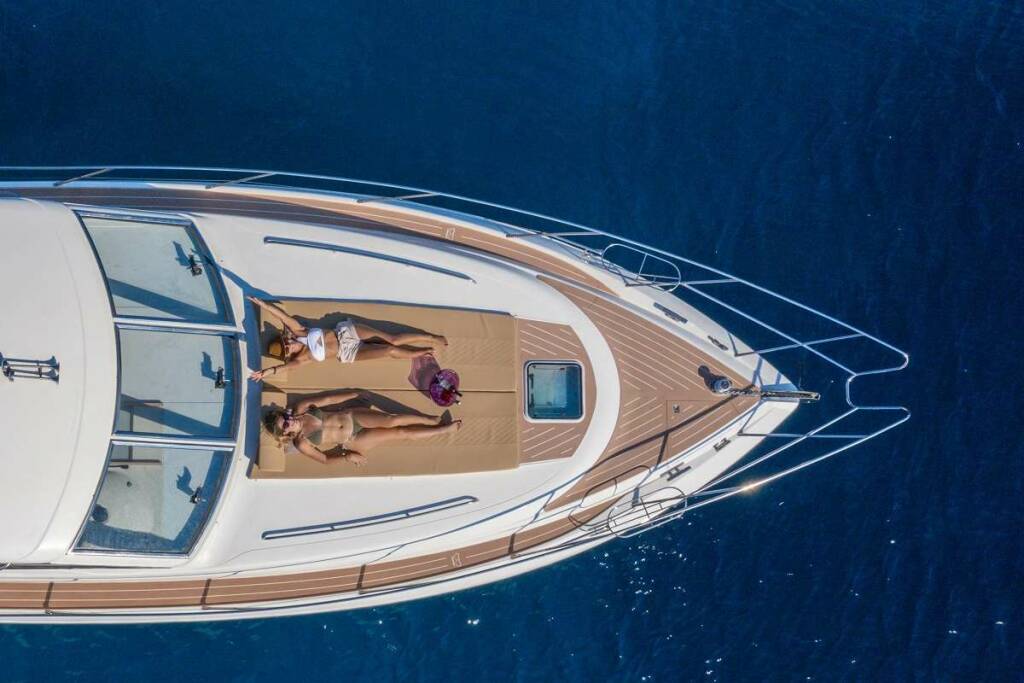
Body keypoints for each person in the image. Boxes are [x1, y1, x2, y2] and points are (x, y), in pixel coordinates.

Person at [247, 296, 447, 382]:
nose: (289, 345)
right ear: (288, 354)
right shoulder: (301, 359)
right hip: (348, 352)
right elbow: (282, 369)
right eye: (287, 349)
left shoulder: (300, 331)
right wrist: (265, 373)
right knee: (388, 350)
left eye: (286, 342)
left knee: (392, 340)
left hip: (346, 333)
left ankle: (431, 337)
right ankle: (420, 353)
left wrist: (262, 304)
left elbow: (282, 317)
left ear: (285, 338)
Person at [263, 390, 461, 465]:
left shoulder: (301, 408)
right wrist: (347, 457)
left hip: (352, 416)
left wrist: (352, 394)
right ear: (286, 433)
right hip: (353, 440)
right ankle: (442, 430)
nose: (290, 421)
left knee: (392, 420)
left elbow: (328, 399)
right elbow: (324, 459)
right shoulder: (301, 443)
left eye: (285, 417)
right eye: (286, 424)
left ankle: (429, 419)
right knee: (400, 433)